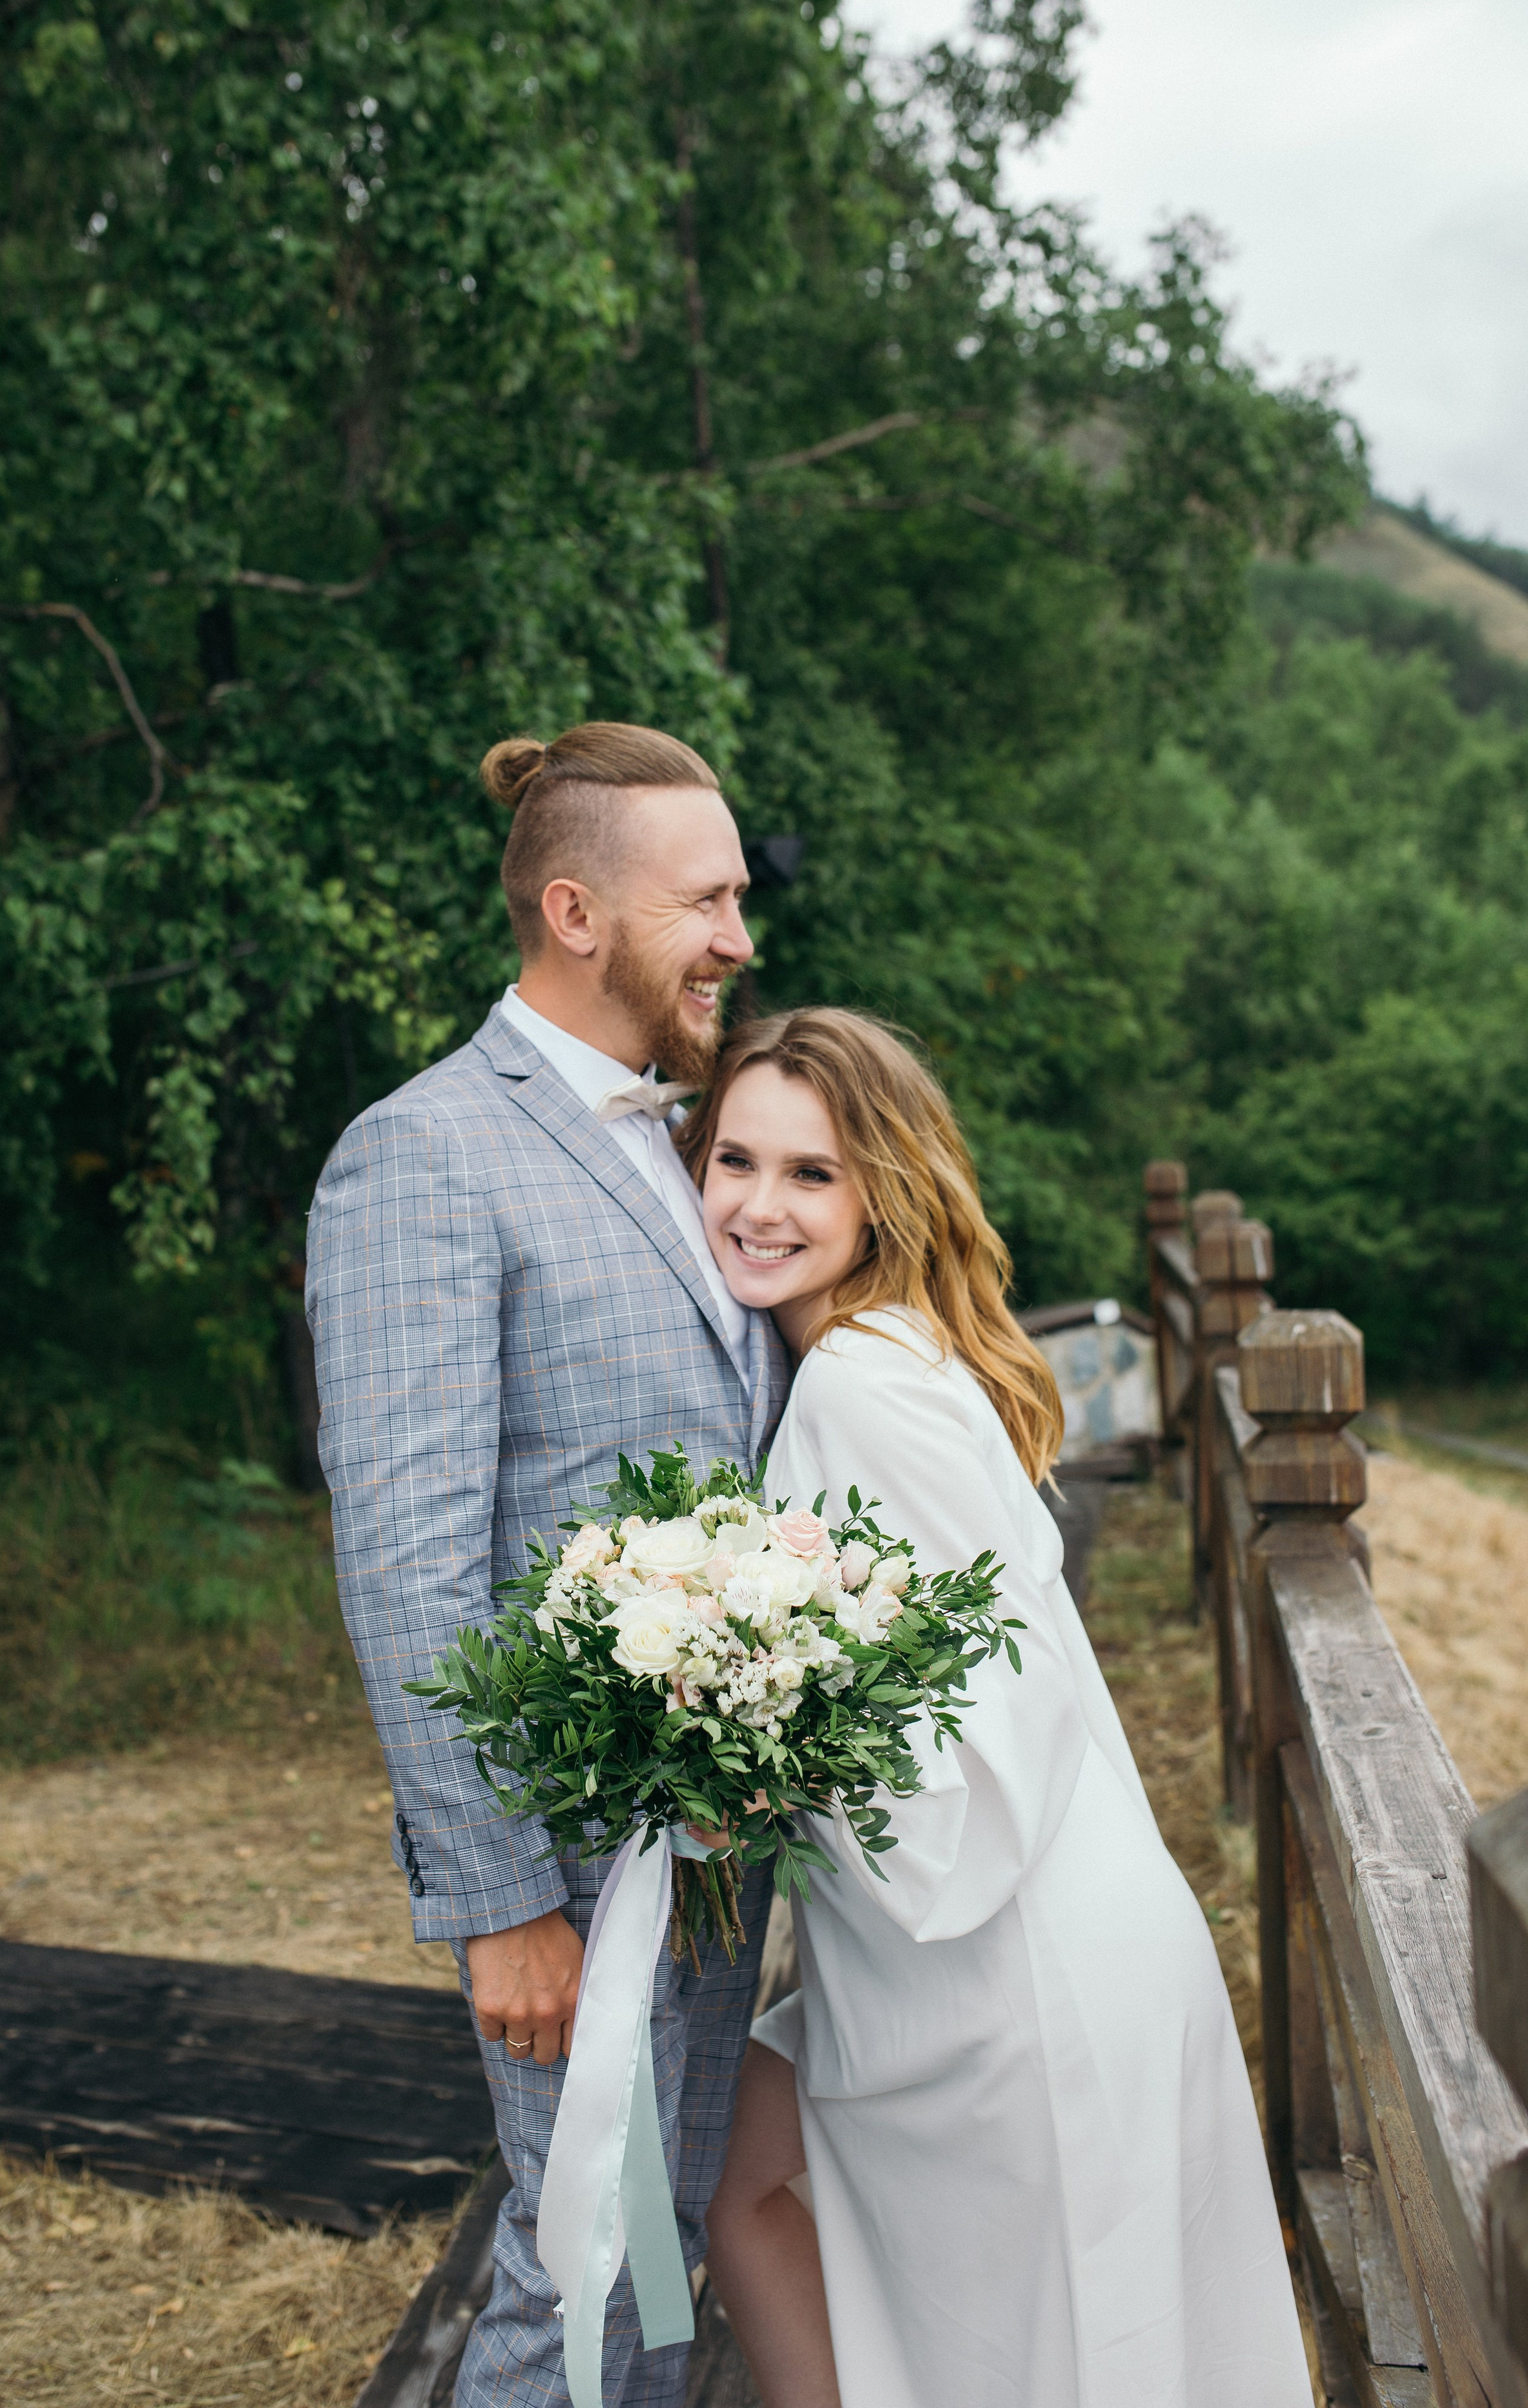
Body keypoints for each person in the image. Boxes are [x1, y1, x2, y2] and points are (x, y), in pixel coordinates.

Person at [686, 1009, 1312, 2408]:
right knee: (732, 2180)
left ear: (883, 1192)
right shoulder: (888, 1349)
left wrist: (737, 1769)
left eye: (811, 1174)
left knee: (1044, 2355)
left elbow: (955, 1743)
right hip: (1053, 1916)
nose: (758, 1205)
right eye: (734, 1159)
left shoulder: (855, 1385)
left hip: (1011, 1964)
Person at [305, 724, 788, 2408]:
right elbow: (410, 1554)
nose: (740, 935)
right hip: (570, 1867)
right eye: (707, 900)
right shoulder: (423, 1155)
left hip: (711, 1839)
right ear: (576, 913)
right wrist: (498, 1898)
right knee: (577, 2265)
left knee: (657, 2256)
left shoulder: (693, 1135)